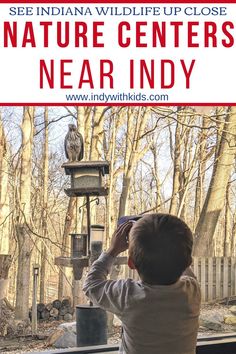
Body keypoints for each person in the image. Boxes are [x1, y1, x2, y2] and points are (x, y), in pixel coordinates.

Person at [83, 213, 201, 354]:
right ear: (188, 261)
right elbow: (183, 263)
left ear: (131, 263)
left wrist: (113, 250)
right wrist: (163, 234)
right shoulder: (192, 292)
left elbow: (91, 284)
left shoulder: (129, 296)